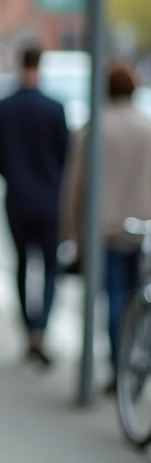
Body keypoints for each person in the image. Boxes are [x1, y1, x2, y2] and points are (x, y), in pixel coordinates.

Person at [62, 62, 151, 393]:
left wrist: (70, 231)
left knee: (115, 299)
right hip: (142, 229)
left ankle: (120, 368)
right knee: (136, 296)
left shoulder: (93, 129)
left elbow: (75, 185)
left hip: (106, 227)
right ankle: (134, 361)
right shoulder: (146, 127)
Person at [0, 45, 70, 368]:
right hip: (49, 200)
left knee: (21, 264)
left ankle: (27, 329)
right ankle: (40, 329)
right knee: (50, 269)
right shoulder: (54, 109)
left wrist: (12, 173)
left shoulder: (2, 108)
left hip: (17, 198)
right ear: (40, 65)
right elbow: (66, 154)